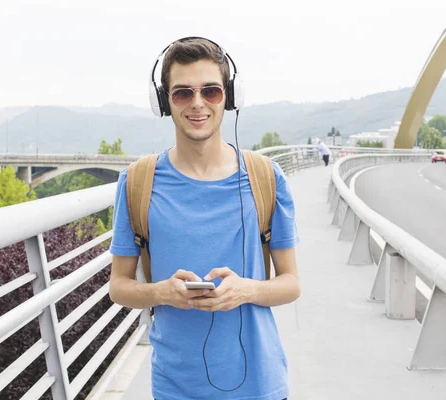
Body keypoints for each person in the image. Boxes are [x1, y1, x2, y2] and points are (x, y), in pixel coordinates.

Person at [108, 37, 300, 400]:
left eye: (210, 91)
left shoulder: (266, 178)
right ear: (164, 102)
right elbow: (119, 286)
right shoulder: (137, 182)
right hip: (175, 387)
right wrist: (160, 292)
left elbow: (291, 283)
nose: (198, 104)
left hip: (260, 387)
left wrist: (248, 289)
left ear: (229, 96)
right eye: (182, 93)